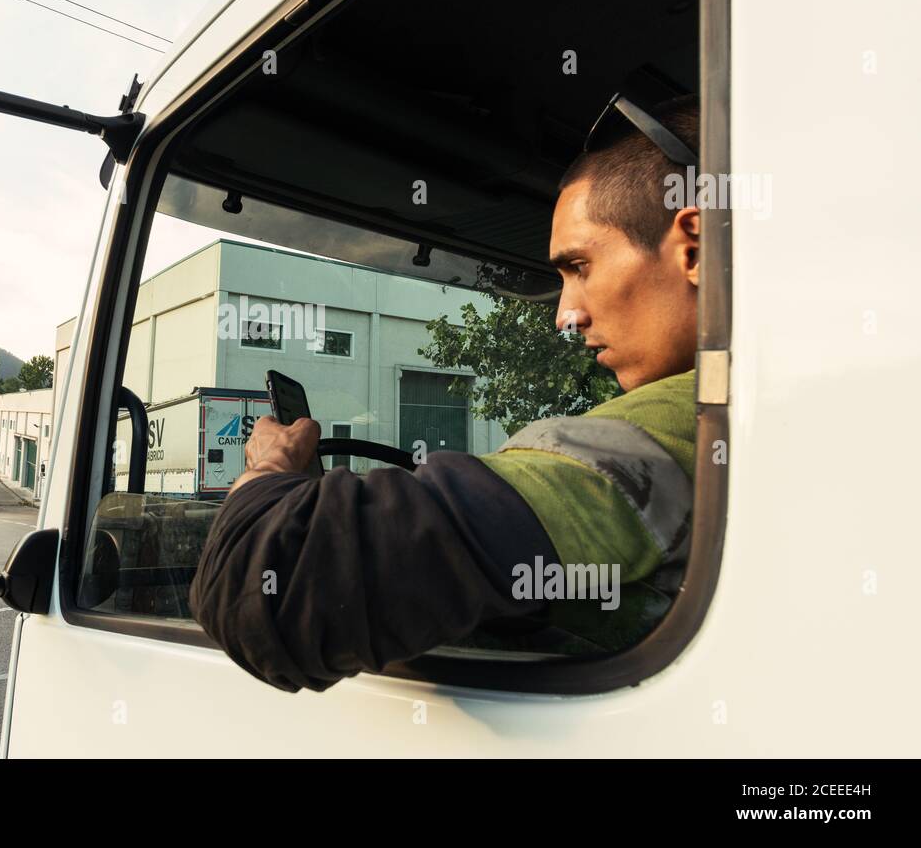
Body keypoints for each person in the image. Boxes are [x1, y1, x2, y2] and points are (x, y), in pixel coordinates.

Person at [189, 94, 702, 692]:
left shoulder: (655, 436)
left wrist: (270, 468)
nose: (566, 315)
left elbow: (268, 590)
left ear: (692, 246)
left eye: (580, 266)